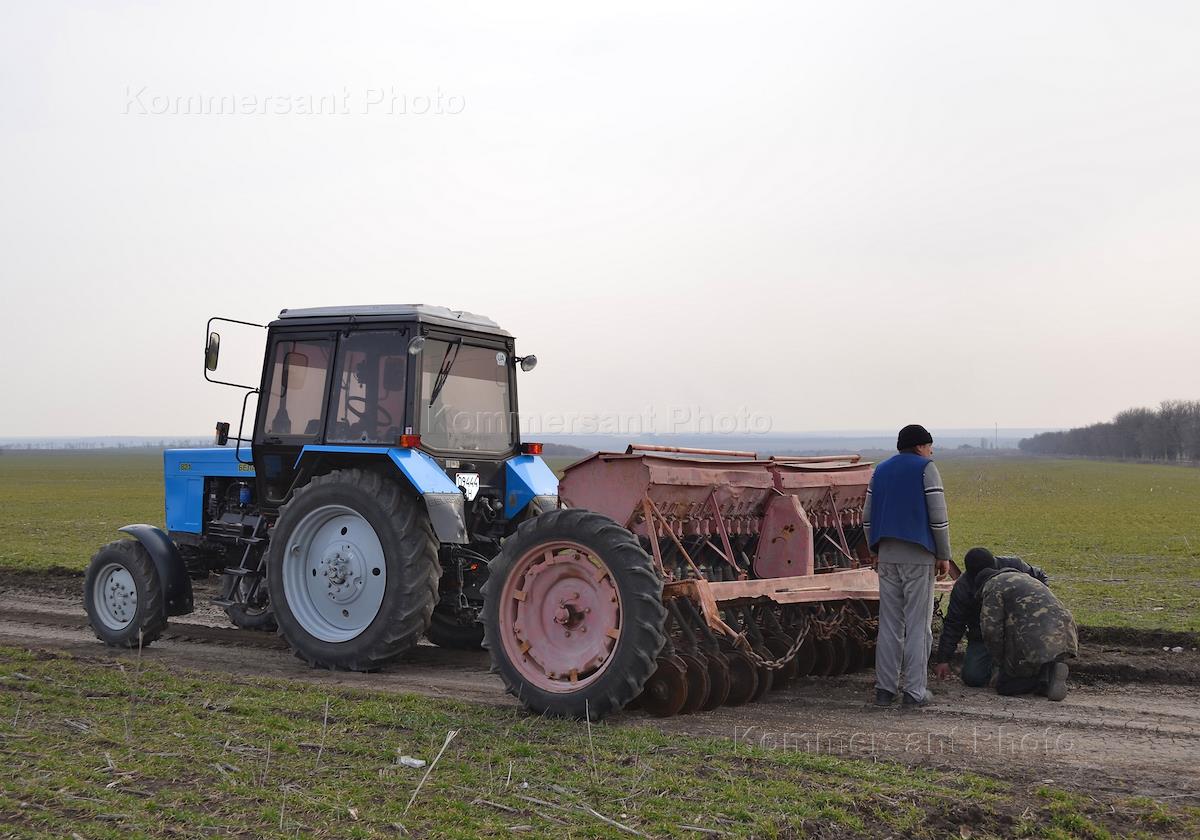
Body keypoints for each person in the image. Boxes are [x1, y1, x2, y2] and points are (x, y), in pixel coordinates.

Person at [863, 424, 951, 708]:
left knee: (888, 624)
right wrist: (943, 554)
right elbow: (938, 517)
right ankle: (915, 692)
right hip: (919, 555)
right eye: (929, 446)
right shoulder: (926, 469)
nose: (931, 451)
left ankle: (884, 690)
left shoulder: (881, 470)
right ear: (919, 446)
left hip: (886, 555)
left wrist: (874, 548)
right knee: (918, 626)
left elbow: (867, 517)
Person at [933, 547, 1048, 687]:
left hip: (1020, 630)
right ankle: (1003, 671)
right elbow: (954, 623)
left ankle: (1044, 671)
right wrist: (943, 659)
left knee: (1022, 667)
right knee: (973, 677)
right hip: (984, 636)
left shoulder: (1014, 565)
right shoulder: (963, 588)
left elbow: (1040, 577)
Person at [975, 565, 1077, 701]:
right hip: (1065, 631)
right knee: (1032, 643)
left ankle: (1037, 680)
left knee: (1004, 686)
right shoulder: (1026, 578)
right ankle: (1049, 674)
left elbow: (991, 631)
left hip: (1037, 636)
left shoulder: (992, 585)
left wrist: (1000, 662)